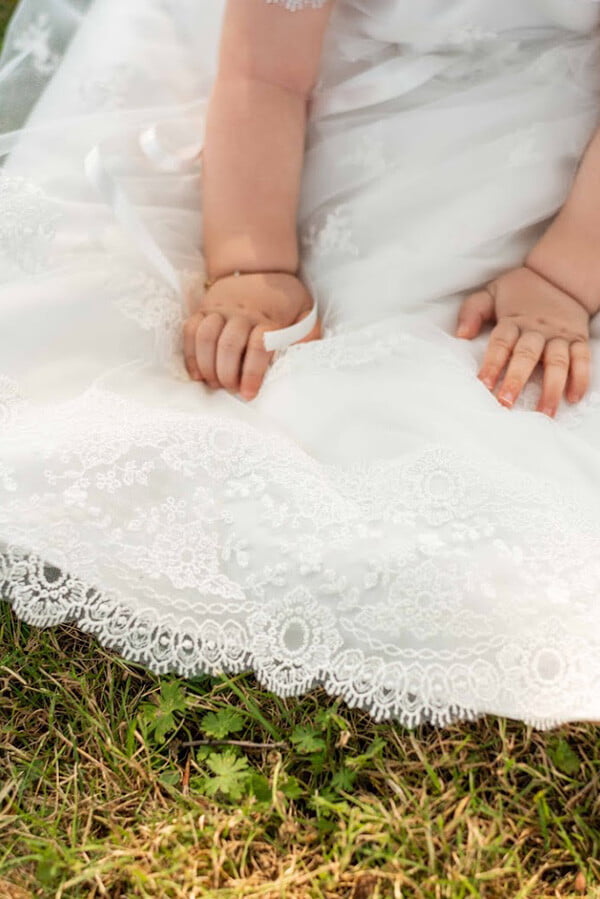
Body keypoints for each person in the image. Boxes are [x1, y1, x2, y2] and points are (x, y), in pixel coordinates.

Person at [1, 0, 600, 729]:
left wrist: (566, 276)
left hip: (559, 114)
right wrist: (252, 264)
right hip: (337, 81)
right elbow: (264, 75)